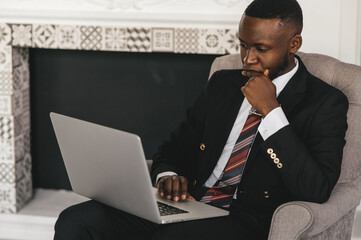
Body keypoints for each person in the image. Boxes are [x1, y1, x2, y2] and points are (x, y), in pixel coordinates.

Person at [54, 0, 349, 239]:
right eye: (243, 45)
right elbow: (174, 147)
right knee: (76, 220)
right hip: (190, 202)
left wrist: (271, 111)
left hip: (246, 217)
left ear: (294, 43)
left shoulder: (325, 102)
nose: (247, 59)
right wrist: (168, 176)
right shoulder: (223, 84)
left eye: (261, 49)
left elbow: (317, 188)